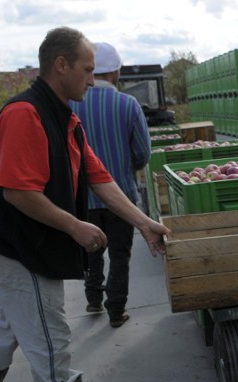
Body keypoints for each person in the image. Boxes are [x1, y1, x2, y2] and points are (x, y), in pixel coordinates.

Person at [0, 27, 170, 382]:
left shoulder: (65, 116)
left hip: (34, 242)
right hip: (22, 246)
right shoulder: (24, 113)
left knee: (7, 324)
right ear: (61, 65)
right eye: (86, 70)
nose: (92, 78)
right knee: (49, 329)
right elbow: (17, 191)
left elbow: (98, 177)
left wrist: (142, 222)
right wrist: (75, 225)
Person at [70, 42, 151, 328]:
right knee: (120, 253)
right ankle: (116, 309)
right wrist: (126, 168)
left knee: (91, 250)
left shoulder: (70, 104)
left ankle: (93, 297)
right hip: (122, 198)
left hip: (82, 199)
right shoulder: (128, 105)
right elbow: (142, 153)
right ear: (115, 72)